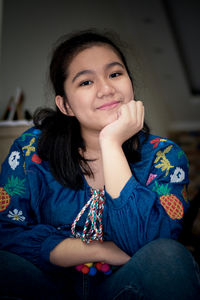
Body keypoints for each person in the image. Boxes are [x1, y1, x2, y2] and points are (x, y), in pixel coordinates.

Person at [0, 29, 200, 300]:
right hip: (46, 287)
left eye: (115, 74)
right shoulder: (31, 151)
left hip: (123, 287)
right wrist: (97, 249)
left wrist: (111, 143)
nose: (107, 89)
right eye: (85, 82)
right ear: (65, 105)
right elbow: (7, 232)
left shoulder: (164, 157)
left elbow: (150, 246)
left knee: (169, 257)